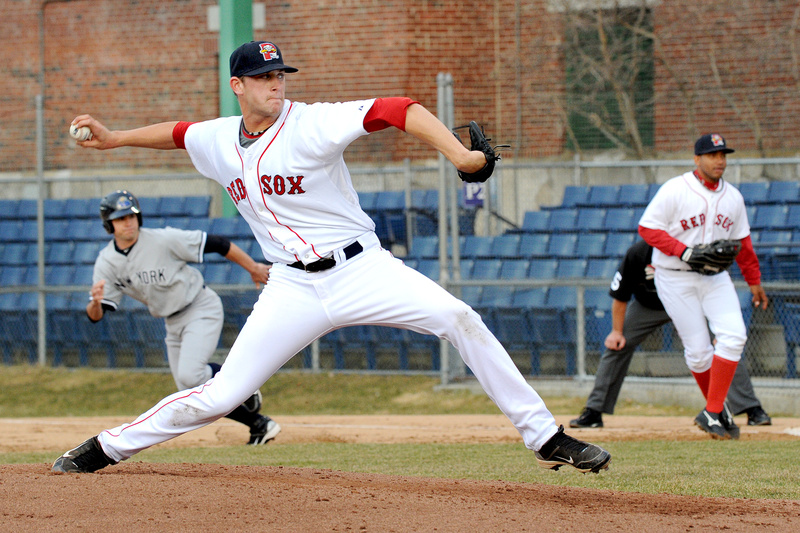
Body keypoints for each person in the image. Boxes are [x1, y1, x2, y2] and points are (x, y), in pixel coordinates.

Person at [52, 41, 611, 474]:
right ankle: (105, 448)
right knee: (221, 395)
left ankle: (544, 437)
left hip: (362, 268)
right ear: (237, 86)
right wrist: (114, 138)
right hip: (292, 288)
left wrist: (460, 154)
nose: (276, 85)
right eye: (264, 78)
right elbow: (177, 133)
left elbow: (397, 108)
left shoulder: (311, 122)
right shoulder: (218, 138)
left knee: (460, 318)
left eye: (280, 76)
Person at [86, 189, 280, 446]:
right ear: (108, 224)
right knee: (191, 389)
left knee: (191, 376)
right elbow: (97, 316)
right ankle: (259, 423)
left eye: (132, 216)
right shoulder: (107, 262)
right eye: (121, 219)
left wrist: (254, 268)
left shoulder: (162, 239)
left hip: (200, 307)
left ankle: (245, 387)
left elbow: (217, 243)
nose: (128, 222)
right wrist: (95, 303)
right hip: (172, 321)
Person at [637, 133, 769, 439]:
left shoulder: (733, 197)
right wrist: (684, 251)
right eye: (712, 155)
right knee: (698, 353)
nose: (719, 160)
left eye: (723, 155)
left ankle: (711, 411)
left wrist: (754, 281)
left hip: (715, 278)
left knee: (734, 336)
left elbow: (743, 243)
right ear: (697, 159)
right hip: (674, 275)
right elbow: (647, 228)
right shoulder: (675, 189)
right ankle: (717, 411)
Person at [569, 240, 772, 433]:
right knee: (617, 345)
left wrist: (718, 329)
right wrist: (616, 332)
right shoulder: (638, 253)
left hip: (690, 303)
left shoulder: (690, 249)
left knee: (727, 345)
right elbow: (620, 296)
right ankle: (594, 412)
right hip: (649, 306)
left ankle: (752, 408)